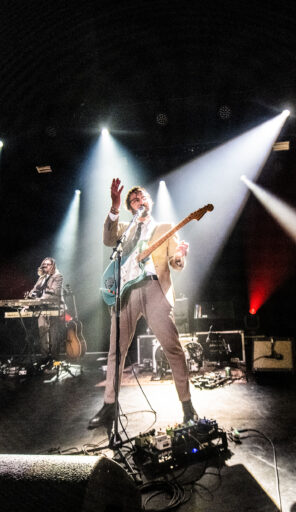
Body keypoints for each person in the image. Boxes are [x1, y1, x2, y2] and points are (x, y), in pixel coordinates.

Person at [88, 178, 197, 429]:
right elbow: (107, 239)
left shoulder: (165, 228)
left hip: (153, 287)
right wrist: (114, 206)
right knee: (116, 351)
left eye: (142, 198)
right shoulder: (124, 229)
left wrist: (180, 255)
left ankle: (188, 407)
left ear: (150, 202)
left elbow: (175, 263)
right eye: (134, 200)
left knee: (172, 348)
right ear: (130, 207)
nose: (139, 201)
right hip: (125, 291)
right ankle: (109, 407)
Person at [26, 257, 64, 360]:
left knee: (54, 333)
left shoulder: (58, 276)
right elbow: (34, 290)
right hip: (42, 308)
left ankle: (55, 358)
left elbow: (54, 292)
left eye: (48, 264)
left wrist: (39, 299)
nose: (45, 266)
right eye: (44, 264)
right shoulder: (42, 277)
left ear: (53, 266)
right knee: (42, 332)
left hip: (54, 307)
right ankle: (45, 357)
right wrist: (27, 302)